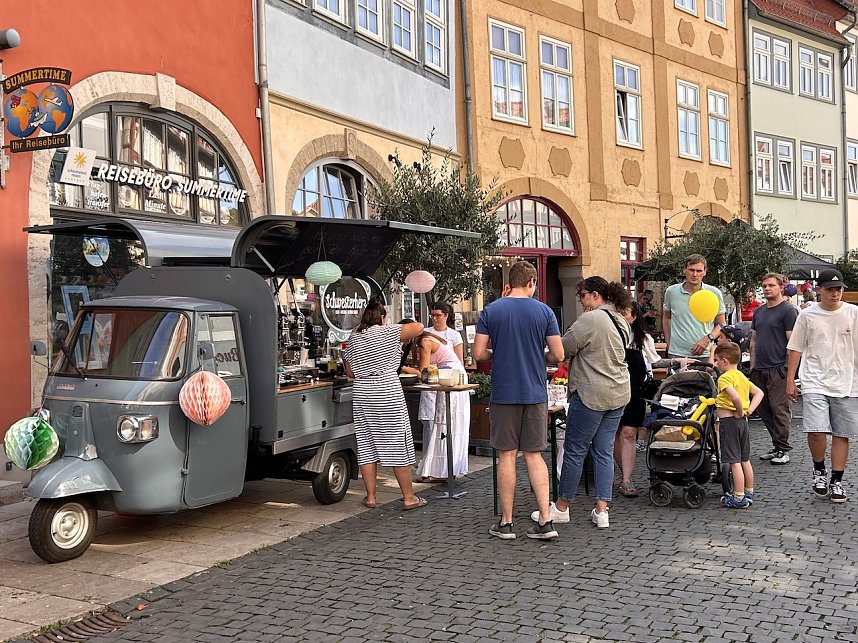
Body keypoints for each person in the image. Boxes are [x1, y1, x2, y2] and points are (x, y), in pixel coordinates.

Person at [473, 261, 564, 540]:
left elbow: (478, 353)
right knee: (535, 455)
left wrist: (495, 353)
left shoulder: (492, 310)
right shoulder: (544, 311)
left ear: (509, 283)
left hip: (504, 392)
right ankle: (546, 521)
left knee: (507, 456)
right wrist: (542, 355)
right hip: (535, 392)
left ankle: (507, 522)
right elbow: (558, 355)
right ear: (532, 282)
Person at [533, 276, 631, 529]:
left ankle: (562, 507)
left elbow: (561, 351)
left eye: (583, 295)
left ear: (595, 295)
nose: (580, 301)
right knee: (604, 451)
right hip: (618, 393)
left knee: (575, 450)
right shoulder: (621, 319)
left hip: (590, 393)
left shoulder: (589, 320)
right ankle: (602, 511)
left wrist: (536, 355)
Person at [344, 301, 426, 510]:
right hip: (386, 390)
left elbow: (350, 373)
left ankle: (371, 497)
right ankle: (409, 497)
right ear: (381, 318)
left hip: (362, 392)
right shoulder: (387, 332)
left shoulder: (354, 337)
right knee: (397, 442)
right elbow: (418, 327)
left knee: (366, 443)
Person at [787, 269, 858, 504]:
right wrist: (790, 380)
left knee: (841, 433)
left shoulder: (853, 313)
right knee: (816, 429)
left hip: (847, 382)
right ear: (819, 290)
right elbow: (795, 347)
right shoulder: (808, 315)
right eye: (829, 289)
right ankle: (819, 470)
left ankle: (837, 480)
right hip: (814, 379)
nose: (835, 293)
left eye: (838, 289)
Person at [403, 333, 469, 481]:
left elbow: (424, 373)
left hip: (449, 378)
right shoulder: (428, 341)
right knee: (444, 425)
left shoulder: (425, 342)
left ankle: (441, 471)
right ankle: (442, 470)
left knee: (444, 424)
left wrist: (406, 369)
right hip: (448, 377)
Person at [749, 273, 799, 465]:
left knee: (780, 409)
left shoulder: (788, 311)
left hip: (778, 368)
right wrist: (752, 368)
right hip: (759, 369)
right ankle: (776, 445)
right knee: (763, 410)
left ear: (780, 287)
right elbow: (754, 340)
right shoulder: (759, 312)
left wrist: (789, 373)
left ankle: (783, 449)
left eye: (771, 285)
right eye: (764, 286)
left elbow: (792, 343)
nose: (767, 288)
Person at [415, 302, 466, 481]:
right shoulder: (427, 334)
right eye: (432, 315)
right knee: (430, 424)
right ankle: (431, 465)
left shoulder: (448, 336)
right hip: (435, 381)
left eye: (438, 315)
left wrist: (413, 370)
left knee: (444, 424)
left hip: (446, 378)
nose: (435, 318)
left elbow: (424, 369)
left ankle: (443, 468)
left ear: (446, 315)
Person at [713, 341, 764, 508]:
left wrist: (740, 409)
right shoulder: (741, 376)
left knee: (734, 461)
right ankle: (749, 491)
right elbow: (759, 393)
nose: (716, 363)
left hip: (729, 422)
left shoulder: (724, 378)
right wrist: (748, 410)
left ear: (725, 361)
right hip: (742, 423)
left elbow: (734, 397)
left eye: (717, 360)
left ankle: (738, 497)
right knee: (744, 459)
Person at [662, 254, 727, 360]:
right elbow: (666, 318)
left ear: (705, 272)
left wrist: (707, 339)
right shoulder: (671, 292)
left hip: (705, 354)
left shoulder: (714, 293)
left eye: (699, 271)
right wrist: (669, 342)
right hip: (677, 354)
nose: (695, 274)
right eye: (691, 270)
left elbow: (722, 323)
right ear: (684, 270)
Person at [615, 303, 648, 497]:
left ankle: (627, 479)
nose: (621, 316)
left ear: (634, 317)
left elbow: (653, 361)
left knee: (628, 433)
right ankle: (619, 473)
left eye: (624, 313)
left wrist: (676, 362)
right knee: (613, 433)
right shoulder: (610, 335)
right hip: (612, 389)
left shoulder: (642, 339)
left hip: (634, 391)